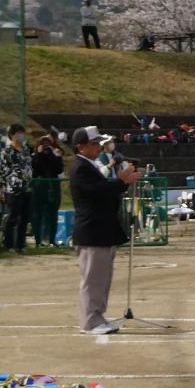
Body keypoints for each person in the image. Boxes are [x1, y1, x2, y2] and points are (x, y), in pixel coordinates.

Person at [69, 125, 138, 334]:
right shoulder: (80, 167)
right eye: (94, 144)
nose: (99, 147)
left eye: (99, 143)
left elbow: (105, 190)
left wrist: (122, 183)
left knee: (102, 278)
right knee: (93, 279)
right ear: (81, 147)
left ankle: (97, 316)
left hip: (101, 231)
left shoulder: (91, 165)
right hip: (92, 231)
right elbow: (97, 192)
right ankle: (90, 320)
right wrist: (120, 182)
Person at [0, 124, 31, 253]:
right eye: (18, 133)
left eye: (22, 132)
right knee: (12, 217)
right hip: (13, 188)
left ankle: (21, 245)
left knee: (24, 218)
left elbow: (29, 166)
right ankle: (8, 245)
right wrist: (3, 188)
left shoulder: (26, 150)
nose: (21, 135)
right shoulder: (7, 151)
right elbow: (2, 171)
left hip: (26, 188)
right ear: (12, 135)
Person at [31, 131, 64, 246]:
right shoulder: (34, 156)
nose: (45, 146)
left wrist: (57, 157)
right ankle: (38, 240)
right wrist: (38, 154)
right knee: (38, 215)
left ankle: (51, 240)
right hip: (39, 188)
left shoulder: (53, 156)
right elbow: (34, 170)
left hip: (52, 188)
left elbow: (59, 170)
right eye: (43, 143)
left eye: (47, 143)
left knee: (52, 215)